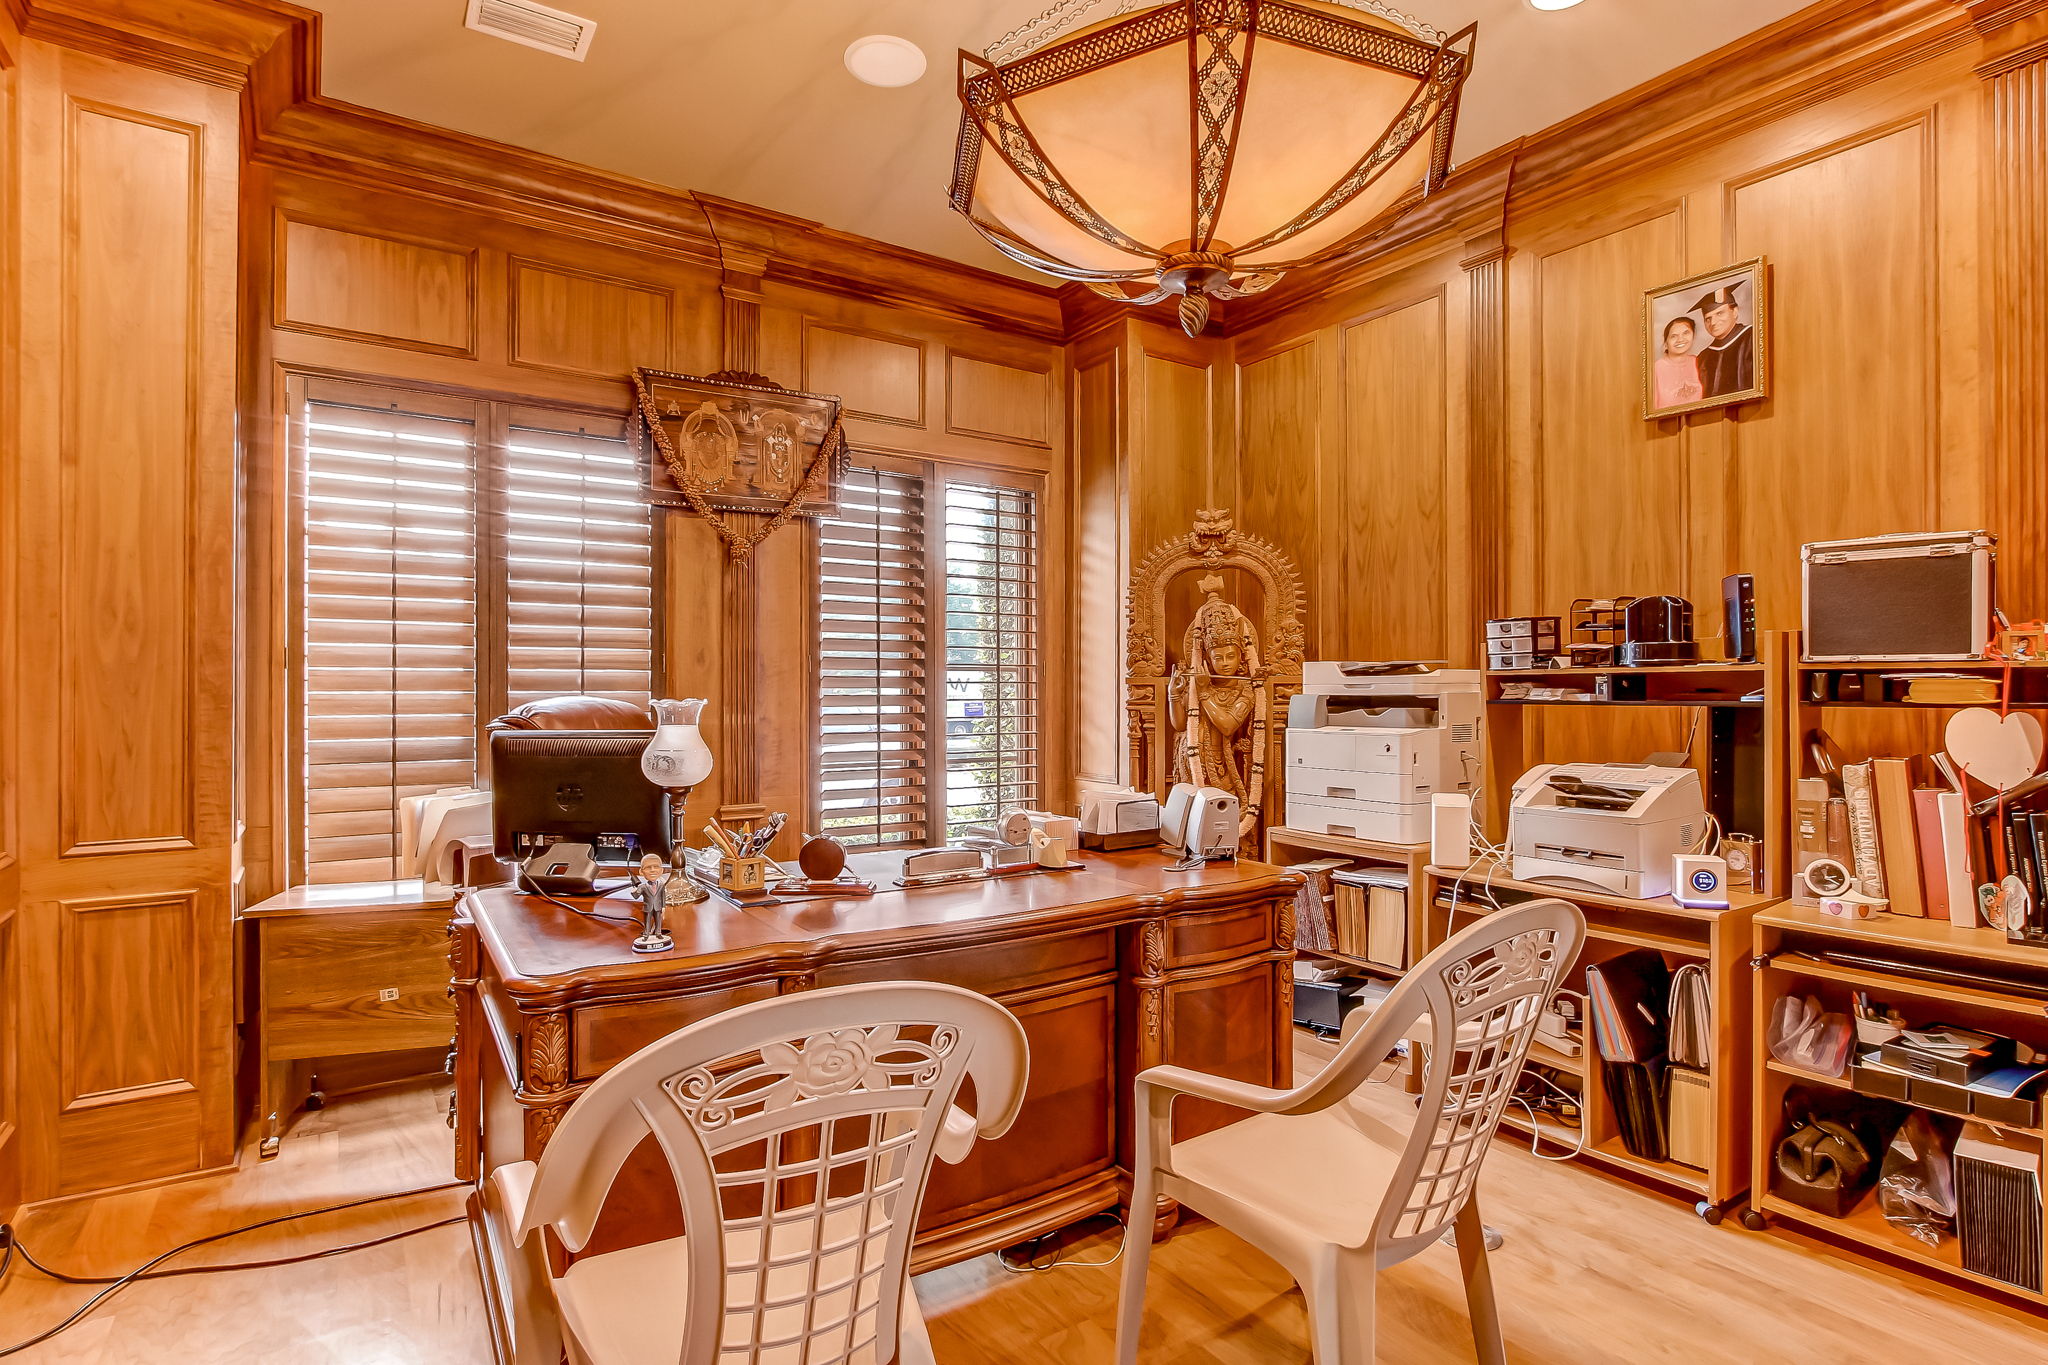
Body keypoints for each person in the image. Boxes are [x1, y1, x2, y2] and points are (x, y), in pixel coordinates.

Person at [1693, 281, 1755, 398]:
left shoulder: (1753, 337)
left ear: (1735, 312)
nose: (1713, 322)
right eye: (1708, 319)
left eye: (1720, 313)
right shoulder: (1703, 357)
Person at [1652, 315, 1704, 409]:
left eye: (1686, 333)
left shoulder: (1699, 362)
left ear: (1693, 335)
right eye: (1673, 336)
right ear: (1666, 342)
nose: (1680, 339)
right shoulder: (1656, 369)